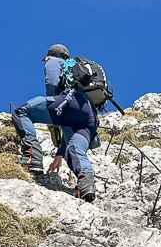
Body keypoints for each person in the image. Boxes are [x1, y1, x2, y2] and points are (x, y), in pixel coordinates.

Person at [12, 43, 97, 202]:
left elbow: (51, 83)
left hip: (68, 103)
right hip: (89, 117)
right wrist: (59, 154)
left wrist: (53, 105)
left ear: (50, 55)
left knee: (21, 112)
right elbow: (67, 130)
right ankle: (86, 185)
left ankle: (32, 157)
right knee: (74, 148)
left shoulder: (54, 61)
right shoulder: (77, 73)